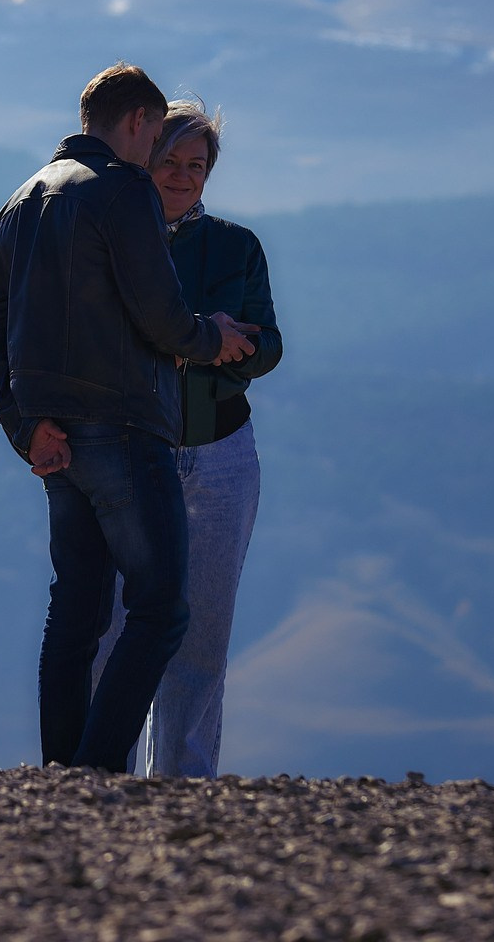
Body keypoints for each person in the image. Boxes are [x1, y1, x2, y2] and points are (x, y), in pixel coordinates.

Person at [0, 63, 259, 772]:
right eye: (157, 138)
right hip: (126, 428)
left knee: (75, 612)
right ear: (137, 121)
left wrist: (22, 425)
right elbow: (157, 312)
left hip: (54, 439)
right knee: (160, 609)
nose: (157, 157)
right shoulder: (122, 192)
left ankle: (63, 774)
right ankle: (100, 767)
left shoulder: (19, 201)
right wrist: (210, 339)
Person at [113, 99, 283, 777]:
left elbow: (267, 344)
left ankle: (183, 786)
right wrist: (201, 337)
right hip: (128, 455)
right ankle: (96, 781)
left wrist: (219, 347)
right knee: (111, 633)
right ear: (142, 163)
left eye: (196, 165)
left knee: (203, 636)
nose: (182, 176)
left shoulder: (236, 247)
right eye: (168, 162)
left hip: (220, 453)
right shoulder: (112, 240)